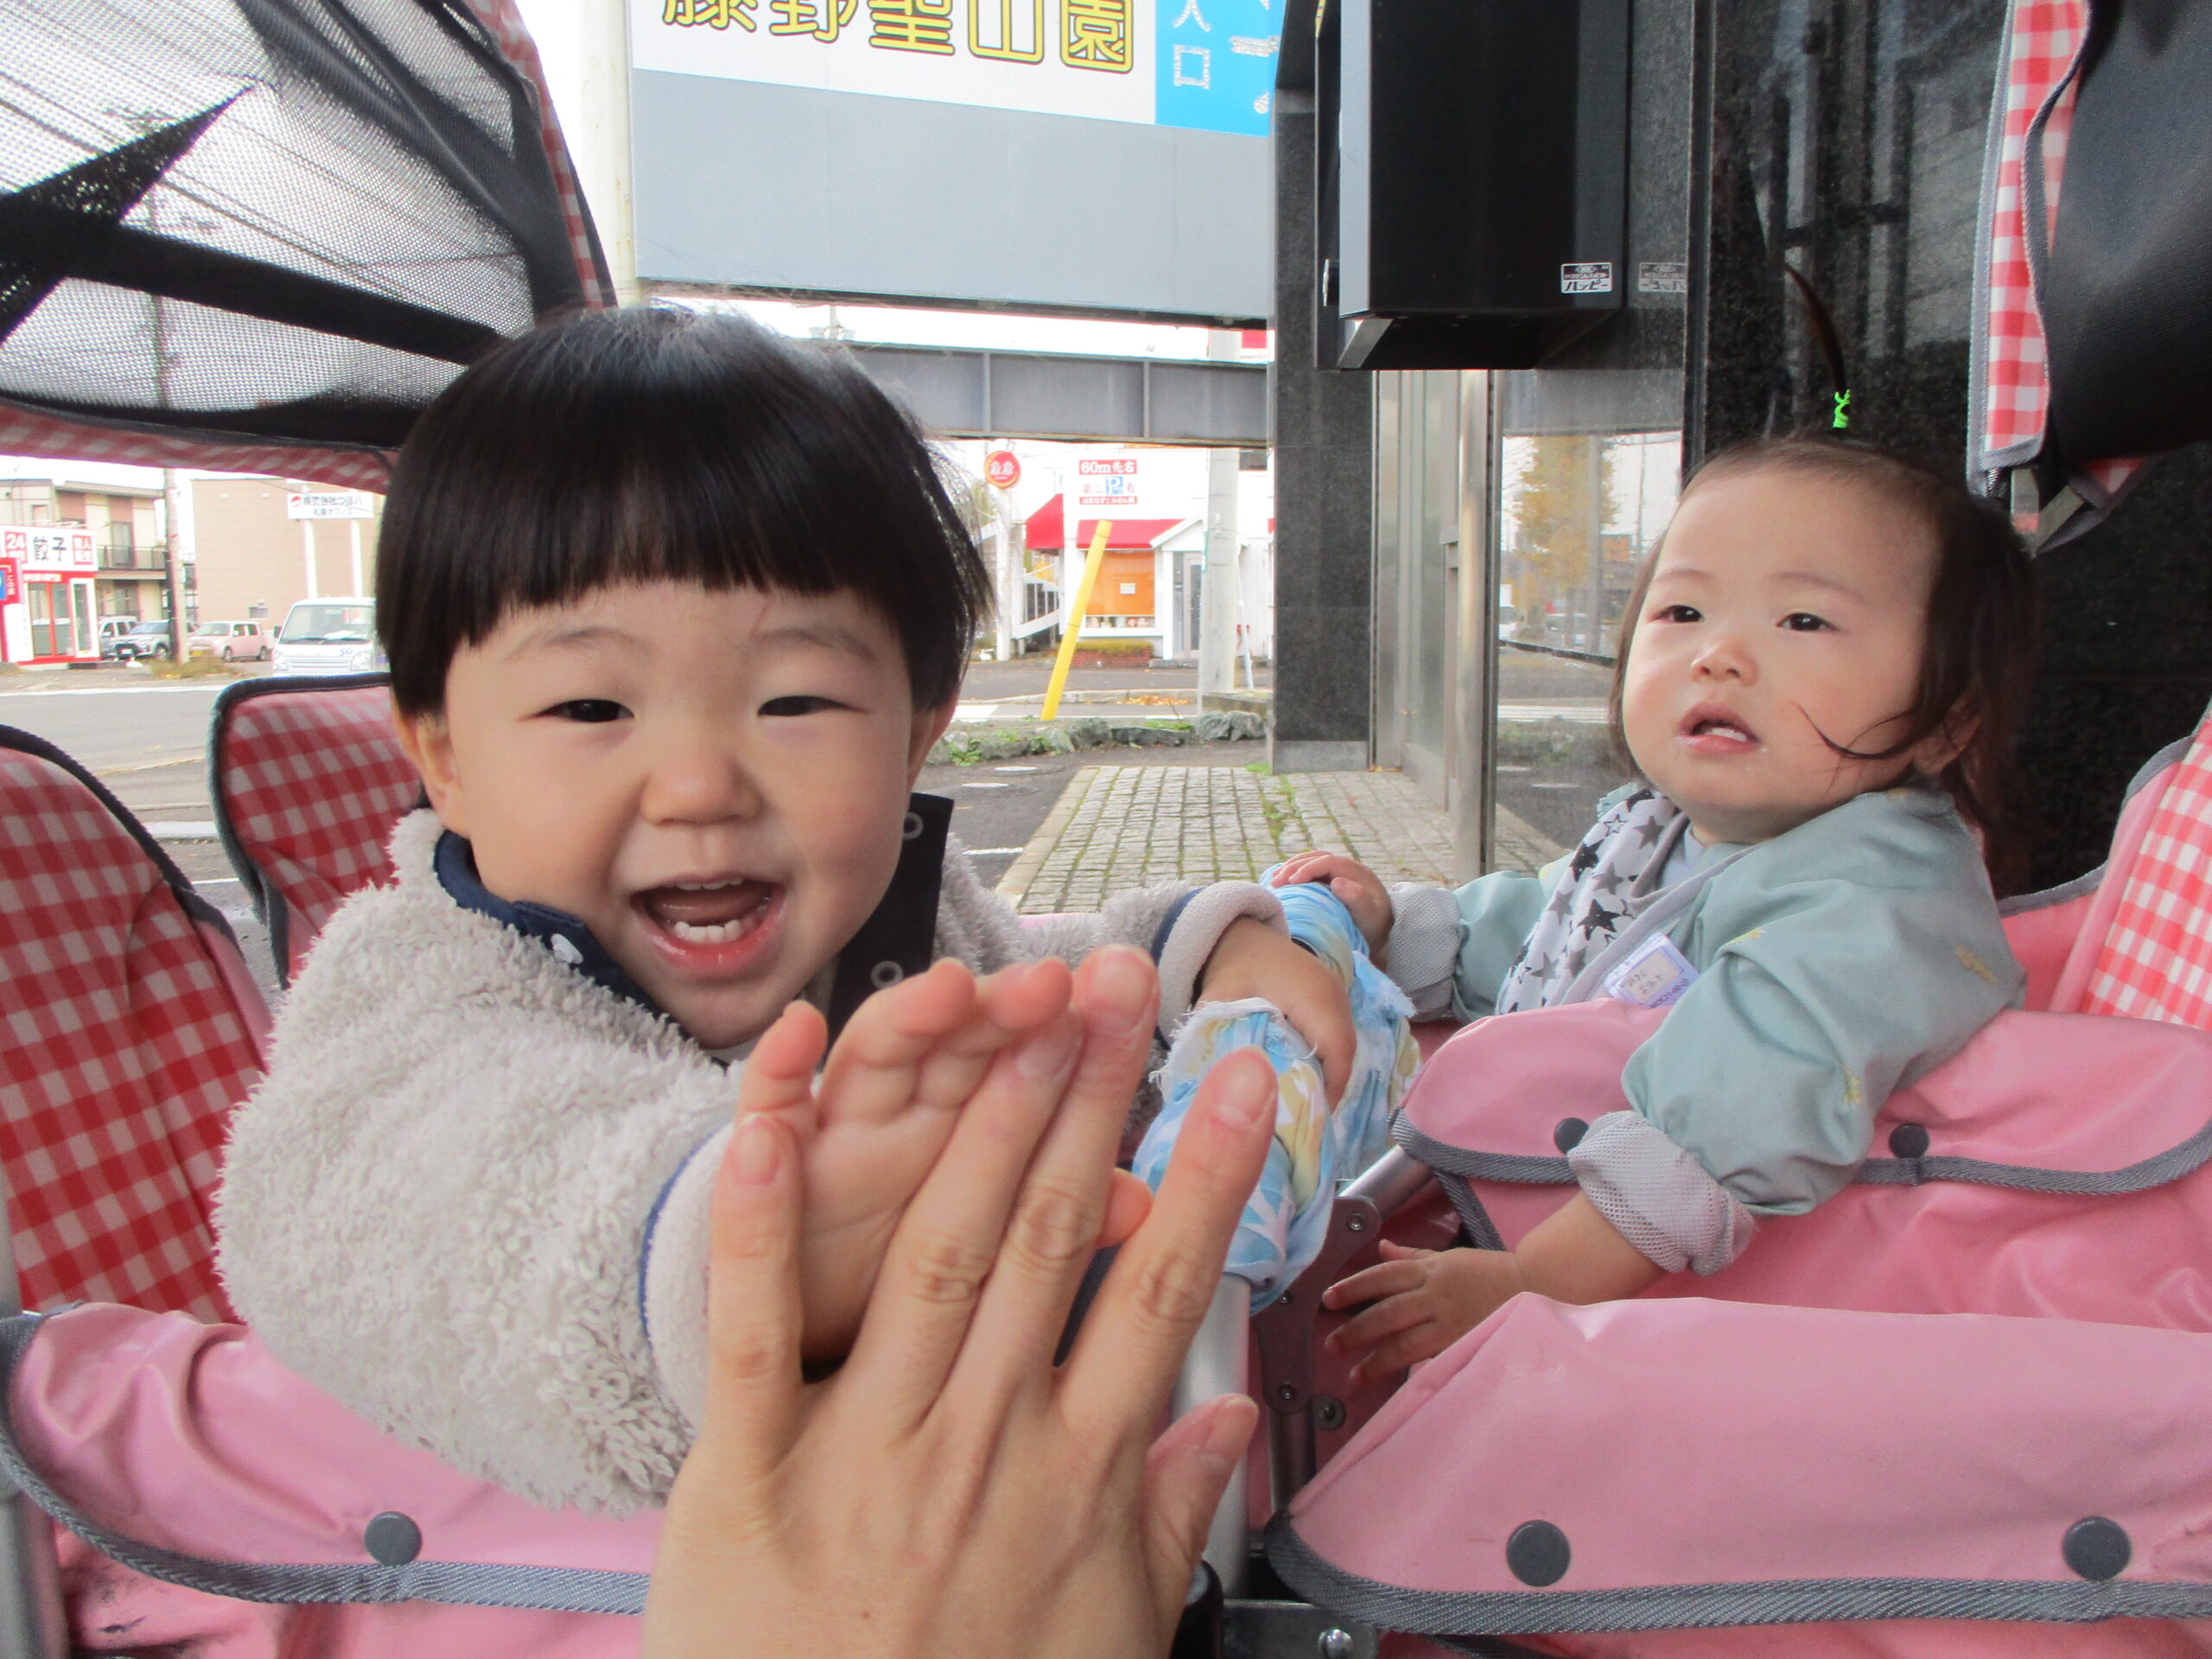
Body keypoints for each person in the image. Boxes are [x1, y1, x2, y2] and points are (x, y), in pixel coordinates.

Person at [213, 305, 1355, 1514]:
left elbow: (1029, 992)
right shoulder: (418, 996)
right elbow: (395, 1216)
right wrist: (758, 1255)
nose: (701, 784)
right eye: (594, 710)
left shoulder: (891, 928)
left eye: (795, 699)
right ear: (442, 754)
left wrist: (1196, 952)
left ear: (916, 730)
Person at [1279, 435, 2038, 1388]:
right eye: (1682, 610)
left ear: (1947, 719)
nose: (1719, 655)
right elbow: (1553, 934)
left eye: (1802, 620)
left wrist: (1530, 1283)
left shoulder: (1875, 902)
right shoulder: (1666, 830)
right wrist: (1400, 930)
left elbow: (1727, 1117)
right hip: (1538, 1185)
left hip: (1674, 1303)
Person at [644, 951, 1277, 1659]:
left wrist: (1216, 941)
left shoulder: (912, 920)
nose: (696, 830)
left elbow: (1044, 955)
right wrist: (732, 1271)